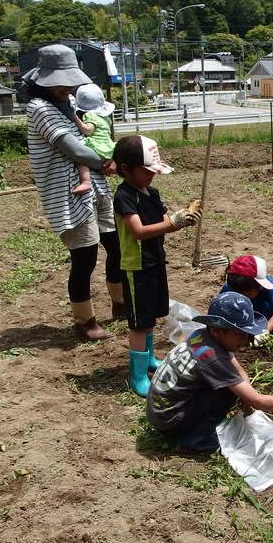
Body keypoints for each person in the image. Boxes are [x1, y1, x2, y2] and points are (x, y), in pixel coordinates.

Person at [23, 44, 123, 340]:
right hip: (70, 194)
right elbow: (73, 148)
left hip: (95, 187)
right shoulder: (40, 109)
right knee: (85, 258)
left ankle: (120, 303)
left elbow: (88, 139)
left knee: (115, 246)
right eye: (63, 81)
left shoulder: (64, 104)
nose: (68, 87)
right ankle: (85, 322)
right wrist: (110, 162)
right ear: (46, 80)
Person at [146, 292, 273, 452]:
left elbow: (235, 365)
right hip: (170, 421)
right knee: (226, 392)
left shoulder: (202, 335)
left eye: (246, 334)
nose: (245, 340)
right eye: (239, 335)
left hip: (160, 412)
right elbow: (258, 400)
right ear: (217, 330)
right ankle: (195, 440)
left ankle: (196, 425)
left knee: (234, 384)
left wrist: (246, 392)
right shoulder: (212, 356)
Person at [112, 134, 202, 396]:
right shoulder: (124, 196)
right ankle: (137, 375)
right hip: (136, 265)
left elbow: (161, 220)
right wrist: (174, 222)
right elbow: (139, 231)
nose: (151, 176)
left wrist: (183, 216)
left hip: (154, 262)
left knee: (150, 315)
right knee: (139, 322)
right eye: (146, 171)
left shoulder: (151, 192)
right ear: (126, 169)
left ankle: (148, 358)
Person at [221, 255, 273, 342]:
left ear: (259, 286)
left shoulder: (269, 286)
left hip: (265, 322)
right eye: (239, 292)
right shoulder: (229, 288)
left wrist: (264, 332)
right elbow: (220, 312)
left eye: (247, 293)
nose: (243, 296)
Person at [68, 84, 117, 196]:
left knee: (80, 156)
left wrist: (75, 118)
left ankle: (86, 181)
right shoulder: (105, 118)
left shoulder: (90, 115)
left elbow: (88, 130)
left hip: (96, 145)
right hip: (108, 147)